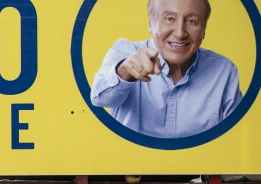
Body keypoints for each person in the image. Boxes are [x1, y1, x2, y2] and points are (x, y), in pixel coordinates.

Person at [90, 0, 242, 138]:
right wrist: (126, 70)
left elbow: (235, 137)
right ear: (151, 23)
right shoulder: (126, 51)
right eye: (170, 18)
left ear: (204, 29)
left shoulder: (224, 71)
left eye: (192, 21)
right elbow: (99, 98)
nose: (180, 33)